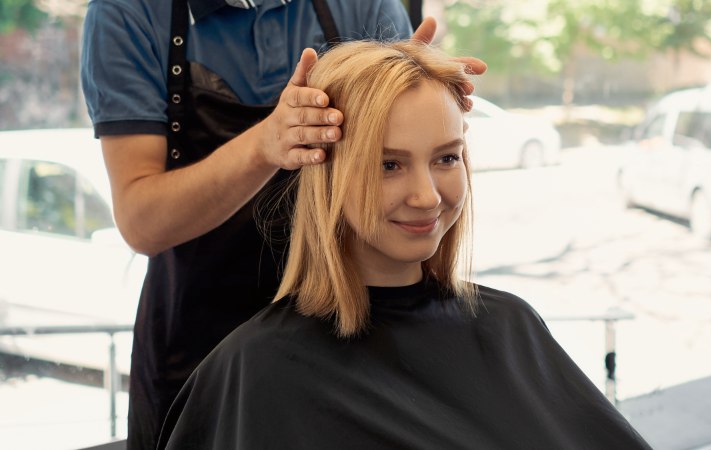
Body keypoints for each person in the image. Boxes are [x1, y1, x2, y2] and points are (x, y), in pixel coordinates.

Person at [156, 40, 652, 449]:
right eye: (388, 164)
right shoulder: (260, 368)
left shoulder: (511, 326)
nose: (427, 196)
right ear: (328, 174)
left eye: (446, 158)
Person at [80, 1, 486, 447]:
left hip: (356, 331)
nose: (425, 196)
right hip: (199, 346)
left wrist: (413, 96)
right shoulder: (130, 13)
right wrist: (263, 146)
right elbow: (142, 222)